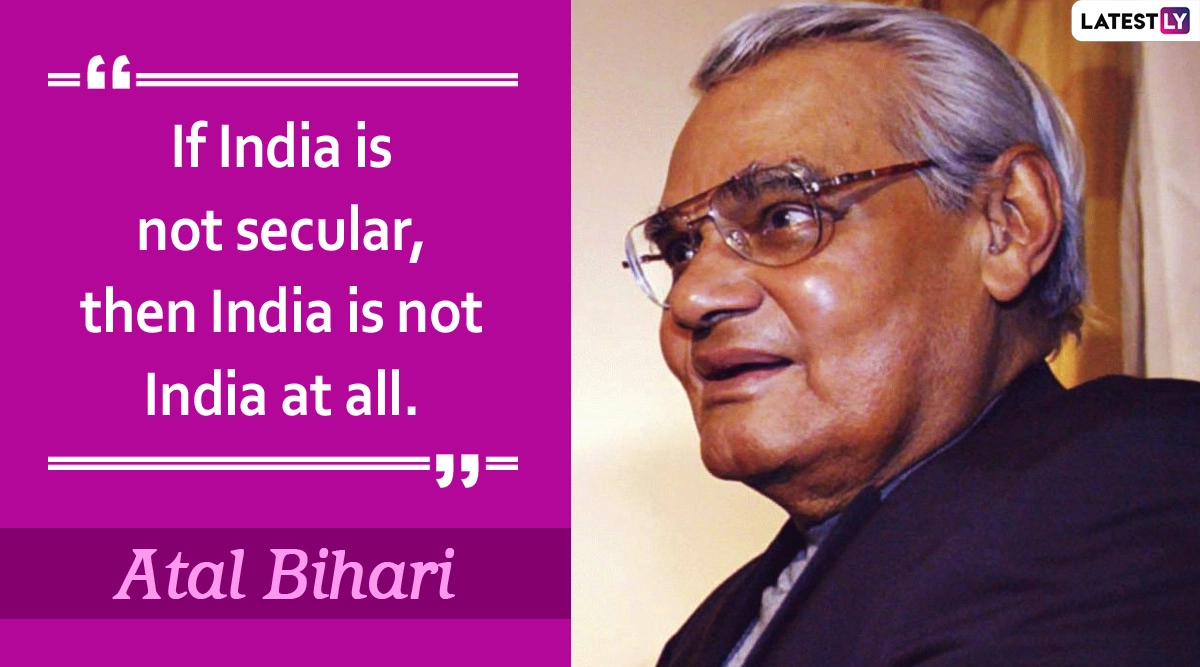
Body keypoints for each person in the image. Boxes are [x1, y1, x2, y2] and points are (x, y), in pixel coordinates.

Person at [620, 4, 1200, 665]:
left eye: (782, 216)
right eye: (681, 249)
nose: (692, 296)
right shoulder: (705, 635)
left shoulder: (1138, 477)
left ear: (1007, 221)